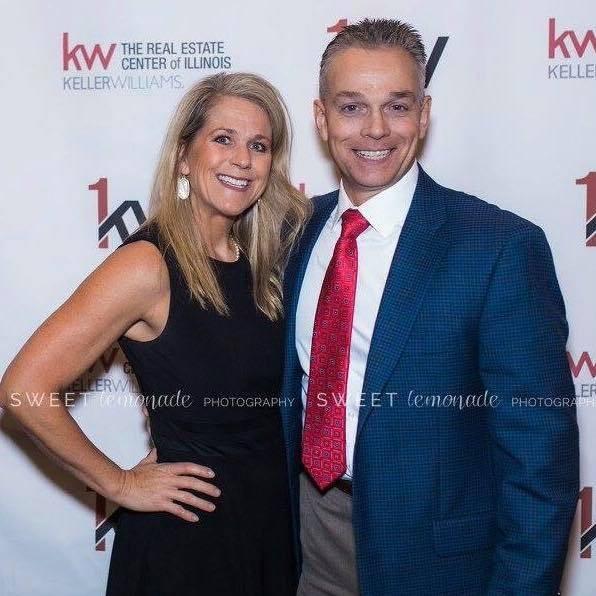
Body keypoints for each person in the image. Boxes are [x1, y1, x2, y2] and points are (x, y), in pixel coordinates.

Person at [279, 18, 580, 596]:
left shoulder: (500, 247)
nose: (375, 128)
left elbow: (540, 460)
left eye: (397, 106)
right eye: (351, 107)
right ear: (321, 118)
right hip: (312, 538)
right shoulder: (294, 233)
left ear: (423, 114)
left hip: (441, 564)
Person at [0, 72, 310, 595]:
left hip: (268, 528)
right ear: (184, 156)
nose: (242, 159)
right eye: (223, 139)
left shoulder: (267, 263)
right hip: (188, 544)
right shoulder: (148, 264)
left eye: (259, 146)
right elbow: (22, 389)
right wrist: (119, 483)